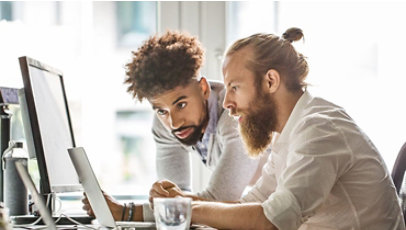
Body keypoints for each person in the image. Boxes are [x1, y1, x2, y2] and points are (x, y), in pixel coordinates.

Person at [150, 28, 405, 229]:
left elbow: (271, 221)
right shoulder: (289, 134)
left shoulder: (320, 128)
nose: (227, 103)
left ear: (270, 81)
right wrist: (182, 202)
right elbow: (253, 203)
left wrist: (187, 210)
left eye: (235, 88)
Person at [82, 31, 264, 221]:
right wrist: (164, 199)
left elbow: (217, 203)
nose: (174, 122)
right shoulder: (165, 126)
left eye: (181, 105)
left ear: (203, 89)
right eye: (161, 110)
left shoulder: (235, 115)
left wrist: (126, 212)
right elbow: (175, 202)